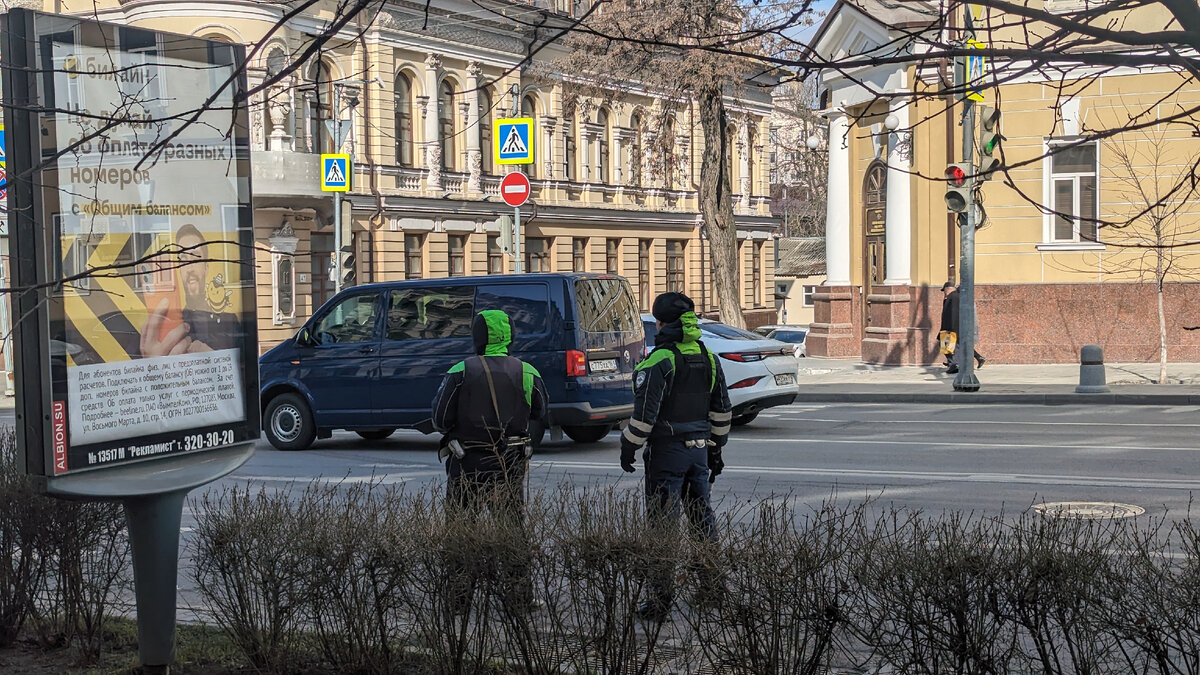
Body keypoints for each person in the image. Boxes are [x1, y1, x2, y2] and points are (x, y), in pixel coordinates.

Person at [620, 291, 732, 621]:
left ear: (660, 323)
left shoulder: (658, 361)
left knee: (662, 528)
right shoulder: (708, 357)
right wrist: (717, 450)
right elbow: (722, 410)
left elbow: (644, 418)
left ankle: (659, 601)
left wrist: (628, 446)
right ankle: (711, 589)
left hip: (667, 455)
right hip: (699, 452)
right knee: (702, 523)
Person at [431, 309, 548, 612]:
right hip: (509, 464)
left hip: (466, 462)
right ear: (509, 336)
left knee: (461, 530)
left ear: (478, 337)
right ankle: (519, 599)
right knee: (511, 531)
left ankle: (458, 600)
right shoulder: (527, 372)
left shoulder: (461, 370)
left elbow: (441, 418)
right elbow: (539, 413)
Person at [140, 224, 241, 357]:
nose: (189, 268)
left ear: (206, 268)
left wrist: (215, 361)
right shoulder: (166, 326)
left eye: (196, 258)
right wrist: (154, 366)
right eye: (183, 259)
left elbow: (244, 369)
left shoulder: (230, 323)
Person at [940, 281, 985, 373]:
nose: (944, 293)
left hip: (950, 327)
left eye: (944, 290)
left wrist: (951, 328)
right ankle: (955, 363)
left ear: (947, 289)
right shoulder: (957, 297)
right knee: (958, 345)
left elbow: (952, 313)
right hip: (955, 326)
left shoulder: (952, 297)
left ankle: (954, 364)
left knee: (948, 346)